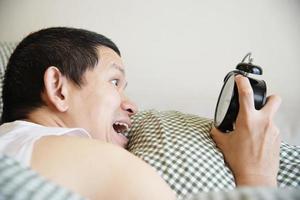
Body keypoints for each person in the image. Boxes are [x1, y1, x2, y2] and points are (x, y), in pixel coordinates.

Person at [0, 27, 281, 200]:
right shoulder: (97, 159)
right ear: (58, 89)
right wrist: (257, 177)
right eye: (114, 82)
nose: (132, 105)